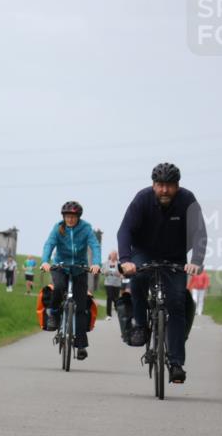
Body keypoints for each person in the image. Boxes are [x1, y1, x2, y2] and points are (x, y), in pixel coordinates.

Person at [118, 162, 206, 384]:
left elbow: (199, 233)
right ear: (153, 185)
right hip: (143, 252)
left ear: (177, 186)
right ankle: (139, 324)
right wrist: (125, 260)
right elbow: (125, 230)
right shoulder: (142, 199)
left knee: (176, 303)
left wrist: (196, 261)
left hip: (175, 257)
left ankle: (176, 363)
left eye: (169, 185)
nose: (164, 190)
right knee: (137, 278)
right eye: (160, 185)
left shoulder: (188, 200)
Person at [40, 201, 102, 361]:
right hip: (61, 266)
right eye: (67, 216)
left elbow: (95, 245)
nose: (70, 220)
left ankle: (81, 346)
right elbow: (49, 244)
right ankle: (53, 313)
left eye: (73, 217)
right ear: (64, 217)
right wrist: (45, 261)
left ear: (78, 217)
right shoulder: (58, 228)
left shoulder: (86, 228)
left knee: (81, 307)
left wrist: (96, 263)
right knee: (59, 286)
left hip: (80, 268)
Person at [101, 250, 123, 320]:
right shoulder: (106, 263)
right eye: (113, 254)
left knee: (116, 298)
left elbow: (122, 273)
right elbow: (102, 271)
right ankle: (108, 315)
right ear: (110, 255)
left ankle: (118, 310)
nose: (114, 256)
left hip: (117, 284)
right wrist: (105, 272)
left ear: (117, 256)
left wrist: (119, 274)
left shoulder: (119, 263)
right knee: (109, 297)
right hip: (108, 283)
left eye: (115, 255)